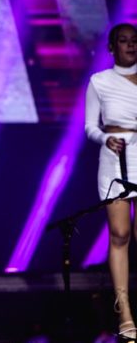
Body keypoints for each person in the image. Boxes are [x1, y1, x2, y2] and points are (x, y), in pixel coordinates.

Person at [85, 22, 137, 342]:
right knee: (120, 234)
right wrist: (105, 138)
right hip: (115, 158)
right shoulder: (100, 81)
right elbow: (90, 126)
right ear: (112, 47)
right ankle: (125, 312)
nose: (130, 45)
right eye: (124, 40)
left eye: (134, 41)